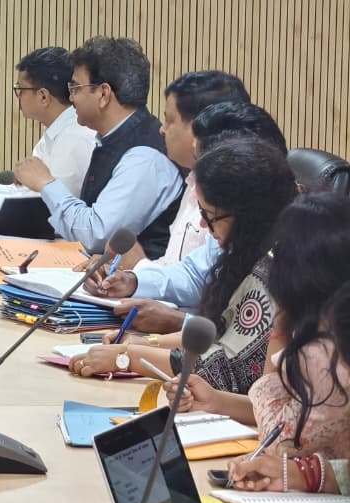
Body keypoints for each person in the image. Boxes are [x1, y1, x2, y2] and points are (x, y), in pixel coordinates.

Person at [69, 136, 297, 397]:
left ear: (248, 215)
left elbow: (226, 372)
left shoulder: (276, 266)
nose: (203, 225)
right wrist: (144, 343)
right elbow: (219, 331)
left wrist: (128, 357)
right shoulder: (245, 247)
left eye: (210, 216)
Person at [163, 195, 350, 465]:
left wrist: (279, 328)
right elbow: (289, 413)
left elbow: (276, 444)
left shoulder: (324, 354)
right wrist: (215, 400)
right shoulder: (325, 329)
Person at [91, 101, 290, 336]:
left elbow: (246, 343)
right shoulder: (227, 220)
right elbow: (196, 274)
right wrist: (133, 281)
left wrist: (179, 324)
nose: (203, 223)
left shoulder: (287, 253)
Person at [12, 37, 182, 256]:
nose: (71, 98)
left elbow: (95, 236)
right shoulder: (110, 138)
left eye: (75, 88)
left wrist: (46, 183)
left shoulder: (144, 157)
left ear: (103, 94)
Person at [0, 47, 94, 215]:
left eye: (20, 90)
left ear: (43, 97)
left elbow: (50, 207)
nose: (18, 97)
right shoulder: (56, 131)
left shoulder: (75, 138)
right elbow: (30, 190)